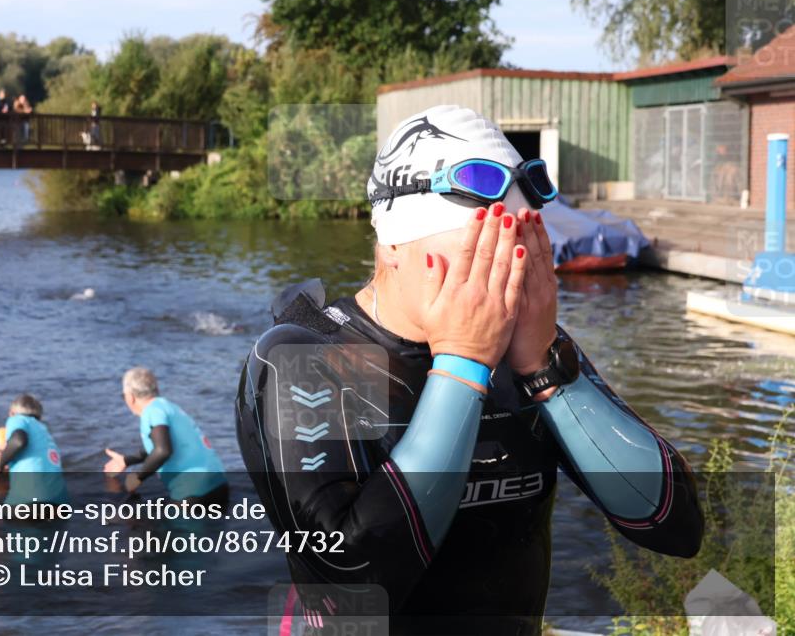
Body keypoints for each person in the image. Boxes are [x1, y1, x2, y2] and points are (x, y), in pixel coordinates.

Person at [235, 105, 704, 635]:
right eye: (478, 257)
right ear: (394, 244)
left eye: (517, 254)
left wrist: (544, 370)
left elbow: (676, 526)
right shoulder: (303, 358)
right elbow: (352, 578)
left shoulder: (527, 345)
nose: (502, 282)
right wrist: (462, 364)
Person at [104, 367, 228, 505]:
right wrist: (127, 460)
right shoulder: (169, 407)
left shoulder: (151, 412)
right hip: (219, 484)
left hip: (194, 492)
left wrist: (136, 478)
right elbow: (162, 445)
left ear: (130, 397)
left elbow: (163, 451)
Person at [0, 394, 69, 506]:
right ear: (39, 417)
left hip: (28, 502)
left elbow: (18, 441)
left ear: (11, 413)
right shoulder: (45, 433)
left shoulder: (17, 419)